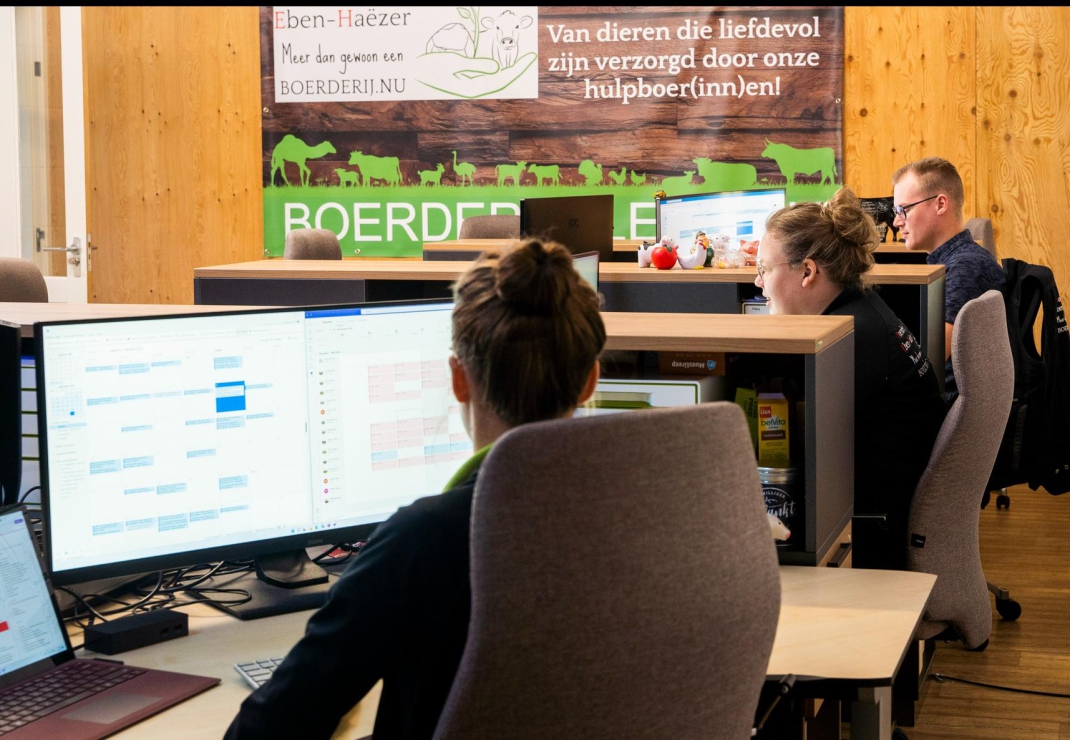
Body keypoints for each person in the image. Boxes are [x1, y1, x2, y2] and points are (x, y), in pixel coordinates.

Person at [225, 239, 605, 740]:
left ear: (458, 379)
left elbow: (265, 732)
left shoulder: (425, 541)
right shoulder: (655, 518)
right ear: (590, 381)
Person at [755, 187, 946, 570]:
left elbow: (804, 454)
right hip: (882, 505)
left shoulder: (848, 340)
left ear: (808, 271)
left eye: (763, 269)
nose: (758, 284)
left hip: (870, 533)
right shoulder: (863, 312)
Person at [891, 157, 1006, 401]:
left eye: (904, 209)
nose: (896, 221)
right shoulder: (955, 261)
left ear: (940, 204)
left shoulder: (965, 267)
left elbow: (926, 360)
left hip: (940, 407)